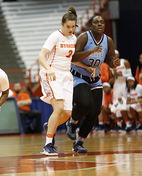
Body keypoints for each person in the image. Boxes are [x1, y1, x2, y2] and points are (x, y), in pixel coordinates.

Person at [66, 14, 119, 153]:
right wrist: (90, 51)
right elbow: (74, 56)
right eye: (96, 22)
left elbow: (110, 62)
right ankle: (72, 122)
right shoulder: (84, 37)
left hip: (95, 78)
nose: (100, 24)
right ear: (90, 25)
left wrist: (114, 64)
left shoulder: (108, 41)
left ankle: (79, 143)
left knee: (95, 112)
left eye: (102, 22)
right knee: (85, 104)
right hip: (78, 76)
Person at [38, 6, 78, 155]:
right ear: (62, 24)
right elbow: (41, 56)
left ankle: (50, 126)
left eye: (73, 26)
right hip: (52, 74)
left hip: (66, 76)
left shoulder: (74, 38)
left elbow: (72, 58)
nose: (71, 29)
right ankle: (47, 145)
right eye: (68, 26)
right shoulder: (55, 35)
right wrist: (48, 69)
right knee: (59, 107)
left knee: (68, 112)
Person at [109, 50, 133, 131]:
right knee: (116, 103)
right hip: (116, 85)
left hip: (124, 84)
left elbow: (130, 75)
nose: (114, 56)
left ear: (118, 55)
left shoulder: (124, 62)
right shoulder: (111, 65)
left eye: (115, 55)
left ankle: (128, 123)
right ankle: (118, 124)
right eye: (112, 55)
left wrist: (122, 75)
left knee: (124, 103)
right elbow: (112, 78)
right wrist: (114, 77)